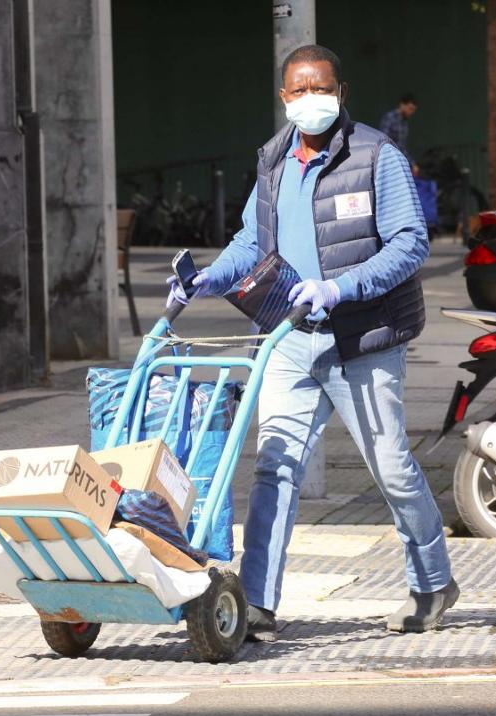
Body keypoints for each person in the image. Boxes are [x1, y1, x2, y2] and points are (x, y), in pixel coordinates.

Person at [165, 45, 457, 641]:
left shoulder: (377, 156)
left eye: (320, 88)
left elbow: (410, 245)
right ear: (284, 98)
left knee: (393, 470)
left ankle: (432, 583)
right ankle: (259, 603)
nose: (310, 100)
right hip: (290, 341)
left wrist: (339, 287)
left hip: (364, 341)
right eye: (298, 91)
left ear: (340, 92)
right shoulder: (273, 161)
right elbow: (252, 242)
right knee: (274, 469)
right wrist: (205, 280)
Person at [379, 92, 417, 158]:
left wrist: (412, 164)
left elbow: (402, 147)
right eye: (410, 109)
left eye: (413, 110)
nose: (411, 112)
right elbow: (383, 141)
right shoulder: (390, 117)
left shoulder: (405, 123)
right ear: (402, 104)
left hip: (400, 159)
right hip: (389, 158)